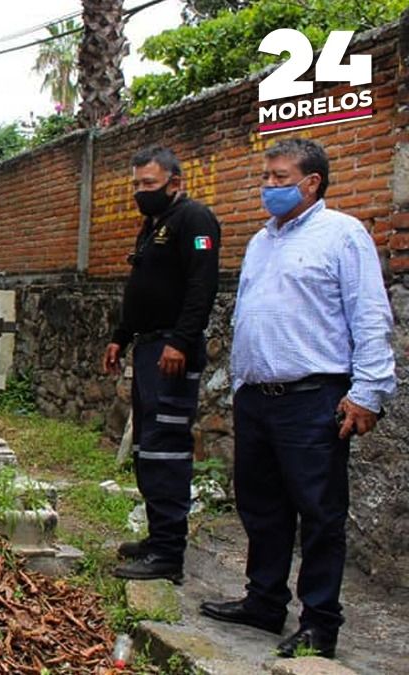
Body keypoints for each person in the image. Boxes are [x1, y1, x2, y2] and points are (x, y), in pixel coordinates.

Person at [199, 138, 395, 659]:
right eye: (266, 177)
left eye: (280, 178)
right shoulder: (263, 240)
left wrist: (368, 393)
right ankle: (263, 602)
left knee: (319, 512)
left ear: (312, 182)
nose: (269, 187)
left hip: (314, 397)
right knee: (261, 507)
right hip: (258, 397)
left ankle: (320, 623)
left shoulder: (343, 236)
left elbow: (371, 316)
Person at [102, 146, 221, 582]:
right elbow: (142, 289)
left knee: (167, 450)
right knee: (147, 449)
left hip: (173, 352)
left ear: (175, 182)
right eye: (136, 184)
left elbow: (201, 285)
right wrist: (120, 336)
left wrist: (181, 341)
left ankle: (169, 555)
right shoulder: (154, 226)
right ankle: (157, 539)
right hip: (149, 349)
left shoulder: (195, 220)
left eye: (148, 184)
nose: (140, 192)